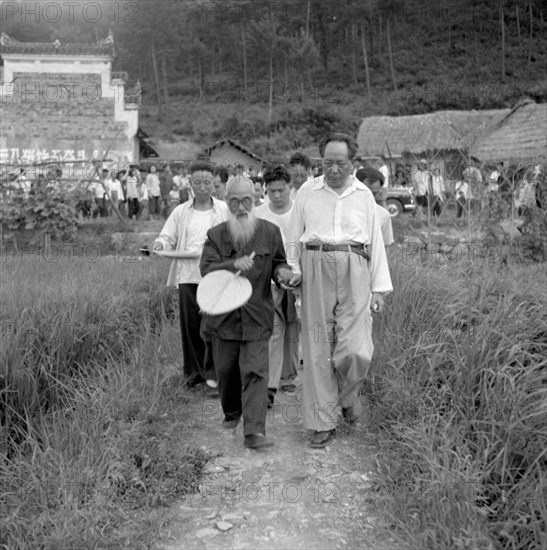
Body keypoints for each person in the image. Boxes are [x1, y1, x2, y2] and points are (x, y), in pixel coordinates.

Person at [287, 132, 392, 448]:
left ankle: (346, 396)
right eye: (327, 163)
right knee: (318, 345)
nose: (333, 169)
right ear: (321, 163)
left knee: (356, 347)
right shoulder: (308, 190)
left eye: (340, 163)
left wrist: (379, 289)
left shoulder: (364, 196)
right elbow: (294, 236)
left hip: (355, 267)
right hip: (315, 264)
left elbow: (375, 243)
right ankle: (322, 422)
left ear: (353, 163)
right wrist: (293, 271)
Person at [199, 175, 298, 449]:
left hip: (257, 313)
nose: (241, 207)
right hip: (224, 317)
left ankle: (254, 431)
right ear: (226, 202)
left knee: (255, 371)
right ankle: (232, 412)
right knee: (227, 371)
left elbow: (278, 264)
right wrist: (232, 263)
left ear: (255, 200)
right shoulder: (215, 235)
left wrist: (284, 274)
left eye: (246, 201)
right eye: (234, 201)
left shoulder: (269, 232)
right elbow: (206, 271)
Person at [152, 161, 229, 391]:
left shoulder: (224, 210)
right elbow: (167, 236)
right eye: (198, 182)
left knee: (215, 327)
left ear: (214, 183)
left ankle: (215, 376)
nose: (203, 187)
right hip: (188, 274)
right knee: (191, 327)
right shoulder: (181, 211)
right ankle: (194, 374)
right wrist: (160, 243)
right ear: (190, 184)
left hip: (215, 276)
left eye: (207, 182)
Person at [255, 164, 300, 408]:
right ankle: (269, 384)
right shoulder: (259, 214)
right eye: (271, 191)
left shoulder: (301, 212)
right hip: (269, 278)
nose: (277, 195)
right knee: (273, 329)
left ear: (290, 188)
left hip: (298, 276)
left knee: (294, 326)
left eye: (281, 190)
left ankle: (289, 375)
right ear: (265, 190)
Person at [355, 167, 394, 247]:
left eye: (374, 193)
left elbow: (386, 246)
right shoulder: (345, 211)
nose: (370, 197)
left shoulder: (383, 215)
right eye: (366, 192)